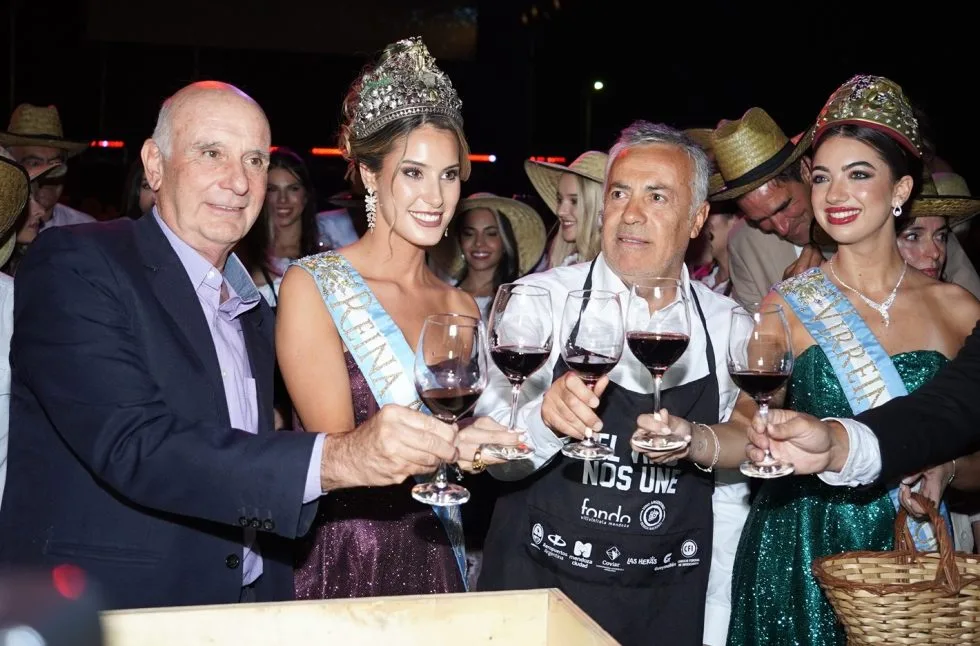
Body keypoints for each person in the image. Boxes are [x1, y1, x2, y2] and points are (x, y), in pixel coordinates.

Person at [0, 80, 468, 610]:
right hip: (107, 609)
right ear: (154, 165)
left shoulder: (254, 315)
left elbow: (245, 454)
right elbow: (135, 445)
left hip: (248, 602)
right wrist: (341, 457)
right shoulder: (78, 263)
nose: (238, 181)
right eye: (211, 153)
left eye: (254, 160)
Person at [476, 121, 754, 646]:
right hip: (536, 600)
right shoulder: (538, 303)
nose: (631, 213)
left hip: (663, 609)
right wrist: (543, 420)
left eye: (657, 197)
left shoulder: (727, 326)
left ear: (697, 218)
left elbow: (729, 498)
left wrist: (715, 622)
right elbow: (491, 459)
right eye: (620, 193)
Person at [274, 37, 519, 600]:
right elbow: (340, 455)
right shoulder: (313, 287)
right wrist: (454, 447)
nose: (435, 196)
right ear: (368, 173)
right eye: (413, 172)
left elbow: (457, 439)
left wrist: (486, 445)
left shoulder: (458, 307)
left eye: (449, 175)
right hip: (347, 558)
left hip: (438, 551)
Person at [710, 108, 980, 307]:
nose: (780, 227)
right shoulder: (745, 245)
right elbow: (755, 346)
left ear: (806, 170)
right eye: (760, 220)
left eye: (784, 206)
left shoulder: (901, 222)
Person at [432, 192, 547, 319]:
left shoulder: (519, 298)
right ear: (459, 240)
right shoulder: (439, 293)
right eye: (469, 234)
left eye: (491, 234)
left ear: (505, 240)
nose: (479, 243)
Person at [0, 103, 95, 230]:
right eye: (35, 163)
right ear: (11, 165)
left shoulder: (85, 229)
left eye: (54, 164)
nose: (49, 173)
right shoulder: (3, 231)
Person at [525, 151, 606, 269]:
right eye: (559, 199)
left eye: (574, 201)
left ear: (599, 205)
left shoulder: (612, 269)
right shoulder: (566, 260)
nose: (560, 211)